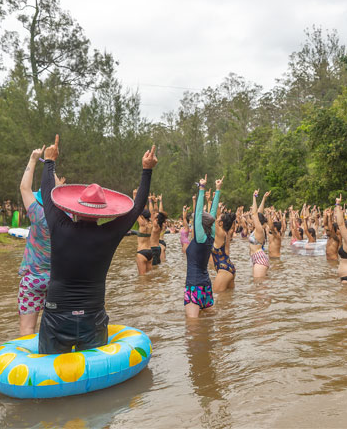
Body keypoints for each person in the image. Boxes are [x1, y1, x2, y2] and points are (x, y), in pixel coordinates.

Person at [38, 135, 157, 354]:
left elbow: (46, 193)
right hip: (92, 317)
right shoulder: (109, 234)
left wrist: (49, 162)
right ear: (103, 211)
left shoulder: (58, 225)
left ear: (74, 207)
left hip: (56, 316)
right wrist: (146, 170)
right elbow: (138, 205)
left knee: (50, 376)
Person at [17, 146, 65, 336]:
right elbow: (57, 192)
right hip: (58, 281)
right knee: (56, 326)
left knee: (27, 328)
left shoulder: (37, 214)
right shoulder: (66, 216)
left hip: (34, 280)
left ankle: (28, 363)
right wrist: (51, 165)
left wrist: (34, 159)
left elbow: (24, 187)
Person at [185, 175, 220, 317]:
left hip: (194, 285)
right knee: (208, 323)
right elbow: (212, 215)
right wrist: (218, 190)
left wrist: (202, 189)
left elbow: (199, 214)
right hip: (205, 285)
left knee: (192, 328)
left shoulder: (200, 238)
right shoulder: (210, 236)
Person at [249, 190, 270, 277]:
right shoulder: (257, 229)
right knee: (257, 288)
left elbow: (254, 214)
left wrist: (254, 197)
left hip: (259, 258)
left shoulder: (260, 230)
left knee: (258, 287)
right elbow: (259, 213)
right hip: (256, 258)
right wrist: (264, 198)